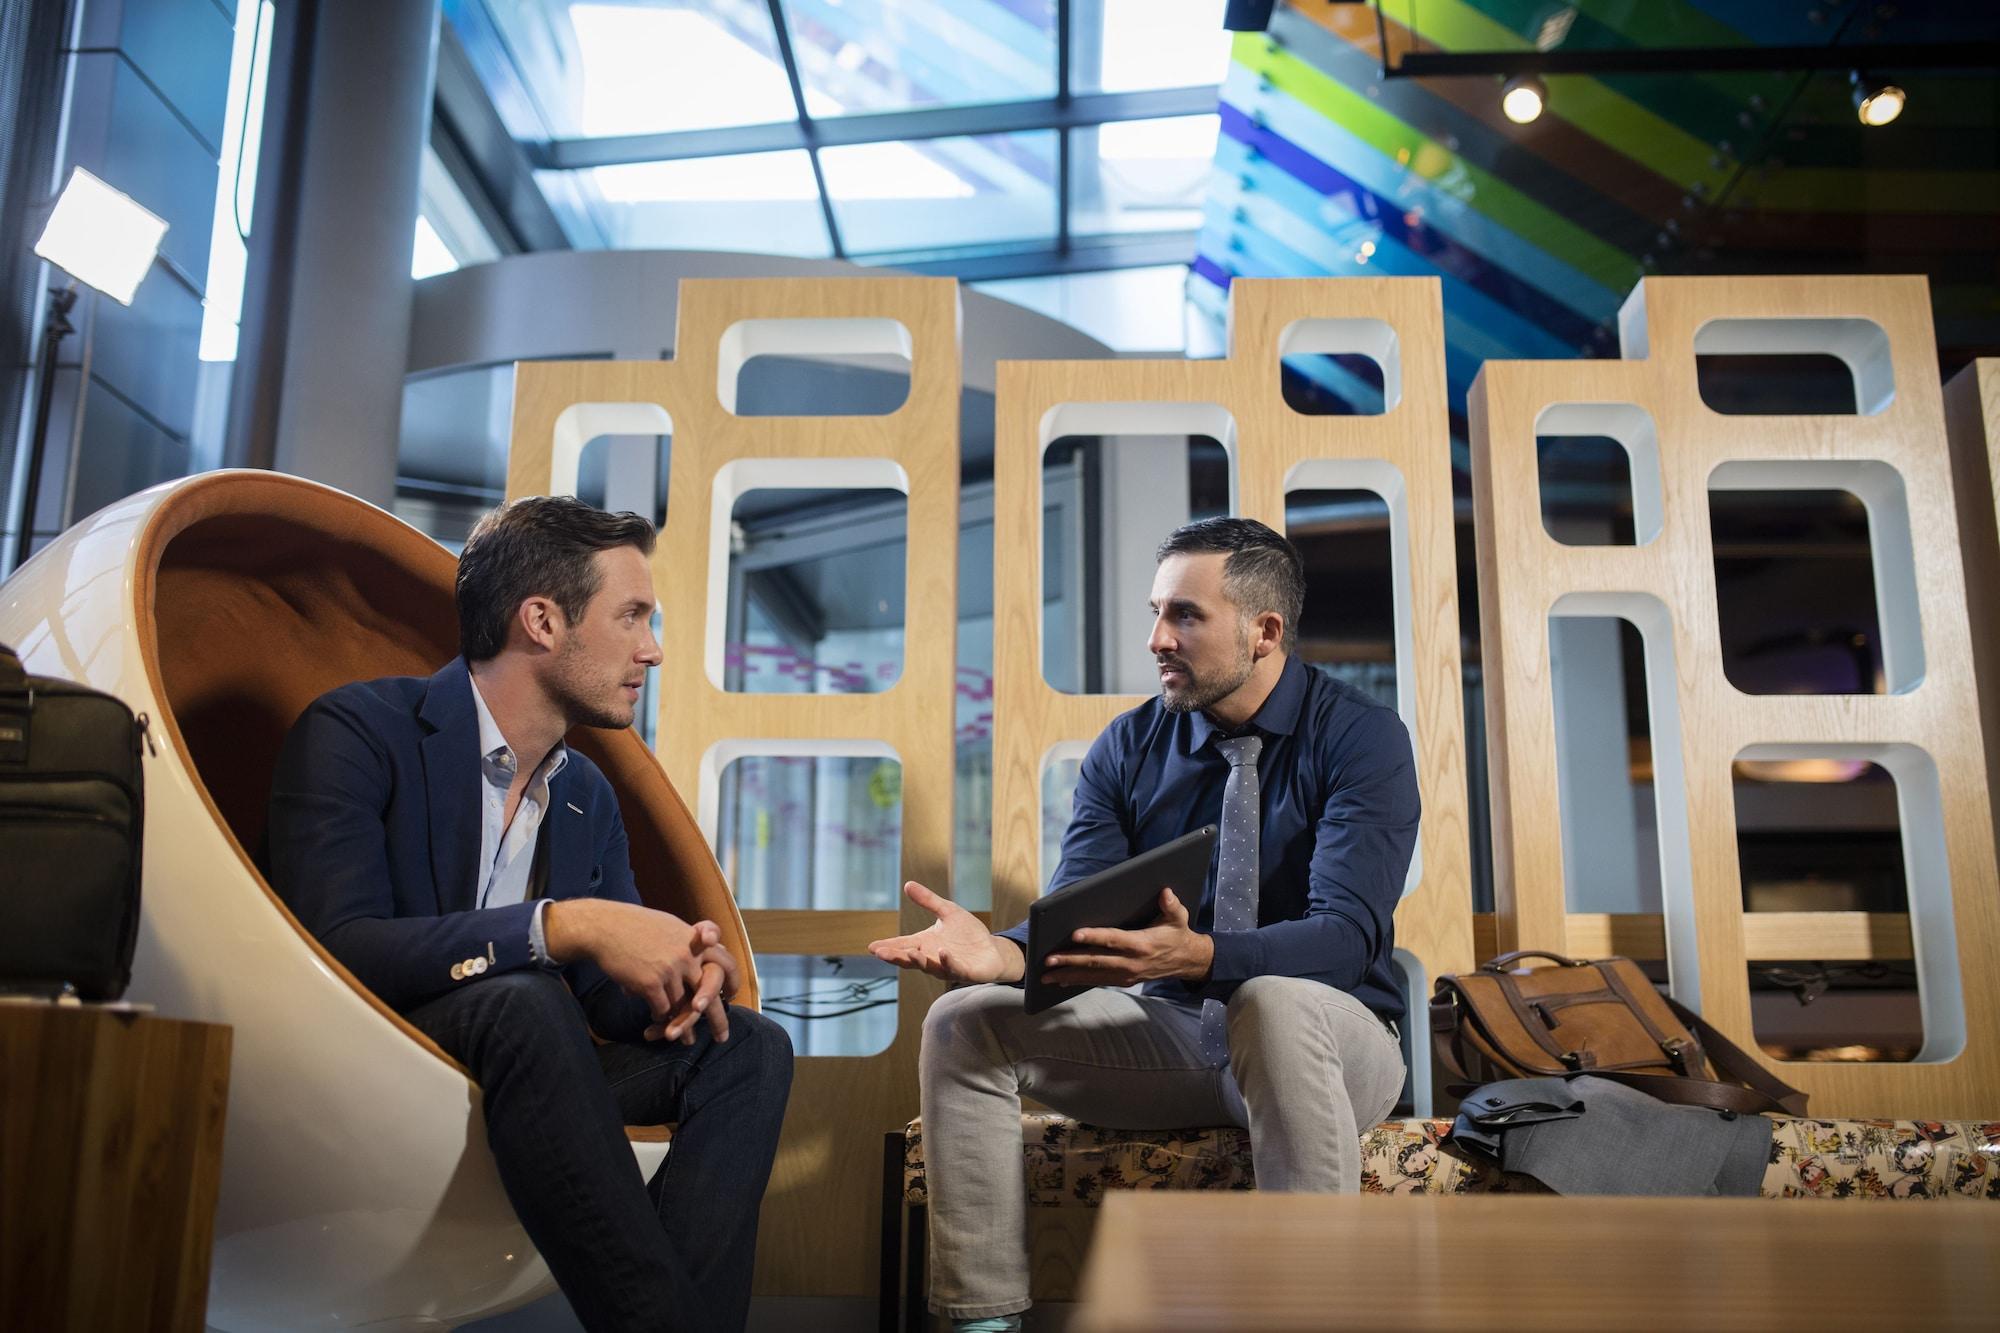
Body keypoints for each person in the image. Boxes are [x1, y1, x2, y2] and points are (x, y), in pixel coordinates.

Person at [870, 516, 1417, 1332]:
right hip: (1174, 1039)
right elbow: (1082, 910)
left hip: (1333, 1049)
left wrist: (1202, 955)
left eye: (1185, 616)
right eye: (1156, 612)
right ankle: (983, 1320)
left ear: (1264, 631)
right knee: (961, 1021)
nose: (1158, 637)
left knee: (1272, 1000)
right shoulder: (1128, 745)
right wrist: (1006, 955)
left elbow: (1345, 940)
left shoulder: (1361, 739)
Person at [268, 496, 794, 1333]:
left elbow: (605, 999)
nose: (651, 650)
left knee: (747, 1045)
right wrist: (557, 926)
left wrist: (683, 976)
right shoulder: (358, 731)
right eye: (632, 617)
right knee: (524, 996)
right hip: (368, 1058)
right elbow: (337, 947)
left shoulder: (584, 792)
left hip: (531, 1056)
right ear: (543, 620)